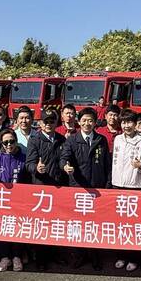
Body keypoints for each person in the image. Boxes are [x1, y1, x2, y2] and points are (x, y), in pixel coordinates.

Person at [61, 107, 111, 268]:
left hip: (97, 189)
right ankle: (77, 255)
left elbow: (107, 165)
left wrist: (107, 185)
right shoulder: (72, 140)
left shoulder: (101, 140)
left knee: (94, 224)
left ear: (95, 122)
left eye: (90, 120)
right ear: (79, 122)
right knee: (77, 224)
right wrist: (65, 167)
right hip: (78, 188)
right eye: (84, 120)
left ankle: (95, 256)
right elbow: (64, 158)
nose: (87, 123)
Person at [25, 111, 67, 269]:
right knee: (42, 224)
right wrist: (36, 168)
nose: (48, 124)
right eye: (45, 121)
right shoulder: (34, 140)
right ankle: (41, 258)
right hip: (41, 188)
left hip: (58, 187)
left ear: (56, 123)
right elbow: (28, 163)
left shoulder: (61, 139)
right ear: (40, 123)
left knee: (56, 223)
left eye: (51, 121)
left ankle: (55, 254)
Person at [111, 109, 141, 272]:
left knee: (133, 225)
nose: (126, 126)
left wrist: (140, 166)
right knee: (119, 224)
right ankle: (121, 255)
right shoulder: (117, 139)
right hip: (117, 185)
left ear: (135, 124)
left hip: (134, 186)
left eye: (129, 122)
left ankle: (134, 257)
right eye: (124, 122)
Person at [0, 128, 28, 272]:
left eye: (11, 141)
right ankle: (4, 257)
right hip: (1, 200)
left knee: (18, 227)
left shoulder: (24, 157)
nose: (9, 145)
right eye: (5, 142)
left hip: (19, 200)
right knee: (2, 228)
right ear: (1, 143)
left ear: (16, 141)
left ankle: (17, 256)